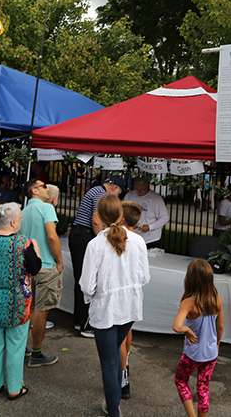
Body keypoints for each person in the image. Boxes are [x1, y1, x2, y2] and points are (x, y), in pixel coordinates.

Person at [79, 194, 149, 417]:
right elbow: (144, 277)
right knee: (114, 358)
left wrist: (95, 295)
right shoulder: (137, 240)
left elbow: (87, 285)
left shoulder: (96, 244)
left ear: (98, 216)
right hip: (129, 308)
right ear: (120, 215)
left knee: (110, 362)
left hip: (107, 309)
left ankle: (114, 410)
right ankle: (113, 404)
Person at [0, 203, 42, 401]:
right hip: (18, 305)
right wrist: (36, 249)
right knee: (16, 346)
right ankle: (14, 387)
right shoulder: (24, 243)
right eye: (21, 218)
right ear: (13, 222)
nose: (22, 221)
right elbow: (35, 268)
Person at [70, 176, 126, 337]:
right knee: (86, 279)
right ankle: (85, 324)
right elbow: (96, 220)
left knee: (80, 278)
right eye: (119, 194)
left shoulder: (95, 190)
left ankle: (78, 320)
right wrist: (102, 240)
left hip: (79, 235)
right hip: (83, 236)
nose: (117, 198)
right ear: (114, 188)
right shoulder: (101, 194)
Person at [172, 259, 224, 417]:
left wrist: (186, 329)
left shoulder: (188, 302)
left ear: (190, 279)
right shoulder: (216, 300)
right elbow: (220, 327)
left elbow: (176, 326)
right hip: (210, 353)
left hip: (193, 354)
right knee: (203, 387)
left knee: (181, 380)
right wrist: (217, 343)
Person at [20, 179, 62, 366]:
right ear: (35, 190)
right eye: (44, 186)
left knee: (26, 308)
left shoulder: (23, 211)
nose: (47, 189)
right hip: (44, 265)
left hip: (26, 267)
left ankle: (22, 348)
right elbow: (52, 236)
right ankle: (36, 353)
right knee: (40, 309)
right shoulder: (46, 208)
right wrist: (59, 261)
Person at [118, 201, 142, 400]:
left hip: (119, 293)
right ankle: (126, 365)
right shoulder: (140, 241)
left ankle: (123, 374)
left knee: (118, 337)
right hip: (133, 293)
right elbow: (145, 275)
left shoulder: (117, 238)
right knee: (127, 330)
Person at [123, 176, 169, 247]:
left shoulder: (156, 199)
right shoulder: (129, 196)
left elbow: (164, 218)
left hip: (151, 239)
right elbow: (123, 213)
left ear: (148, 186)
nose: (139, 192)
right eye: (137, 189)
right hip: (132, 236)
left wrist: (150, 227)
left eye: (142, 190)